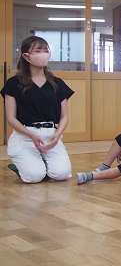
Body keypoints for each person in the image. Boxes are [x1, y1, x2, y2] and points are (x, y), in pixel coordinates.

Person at [1, 36, 74, 183]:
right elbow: (11, 118)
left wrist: (58, 134)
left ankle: (42, 163)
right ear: (26, 56)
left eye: (46, 50)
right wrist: (31, 135)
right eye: (38, 50)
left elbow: (64, 116)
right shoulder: (13, 83)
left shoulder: (57, 83)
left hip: (50, 135)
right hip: (25, 136)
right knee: (34, 177)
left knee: (62, 174)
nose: (44, 54)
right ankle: (26, 166)